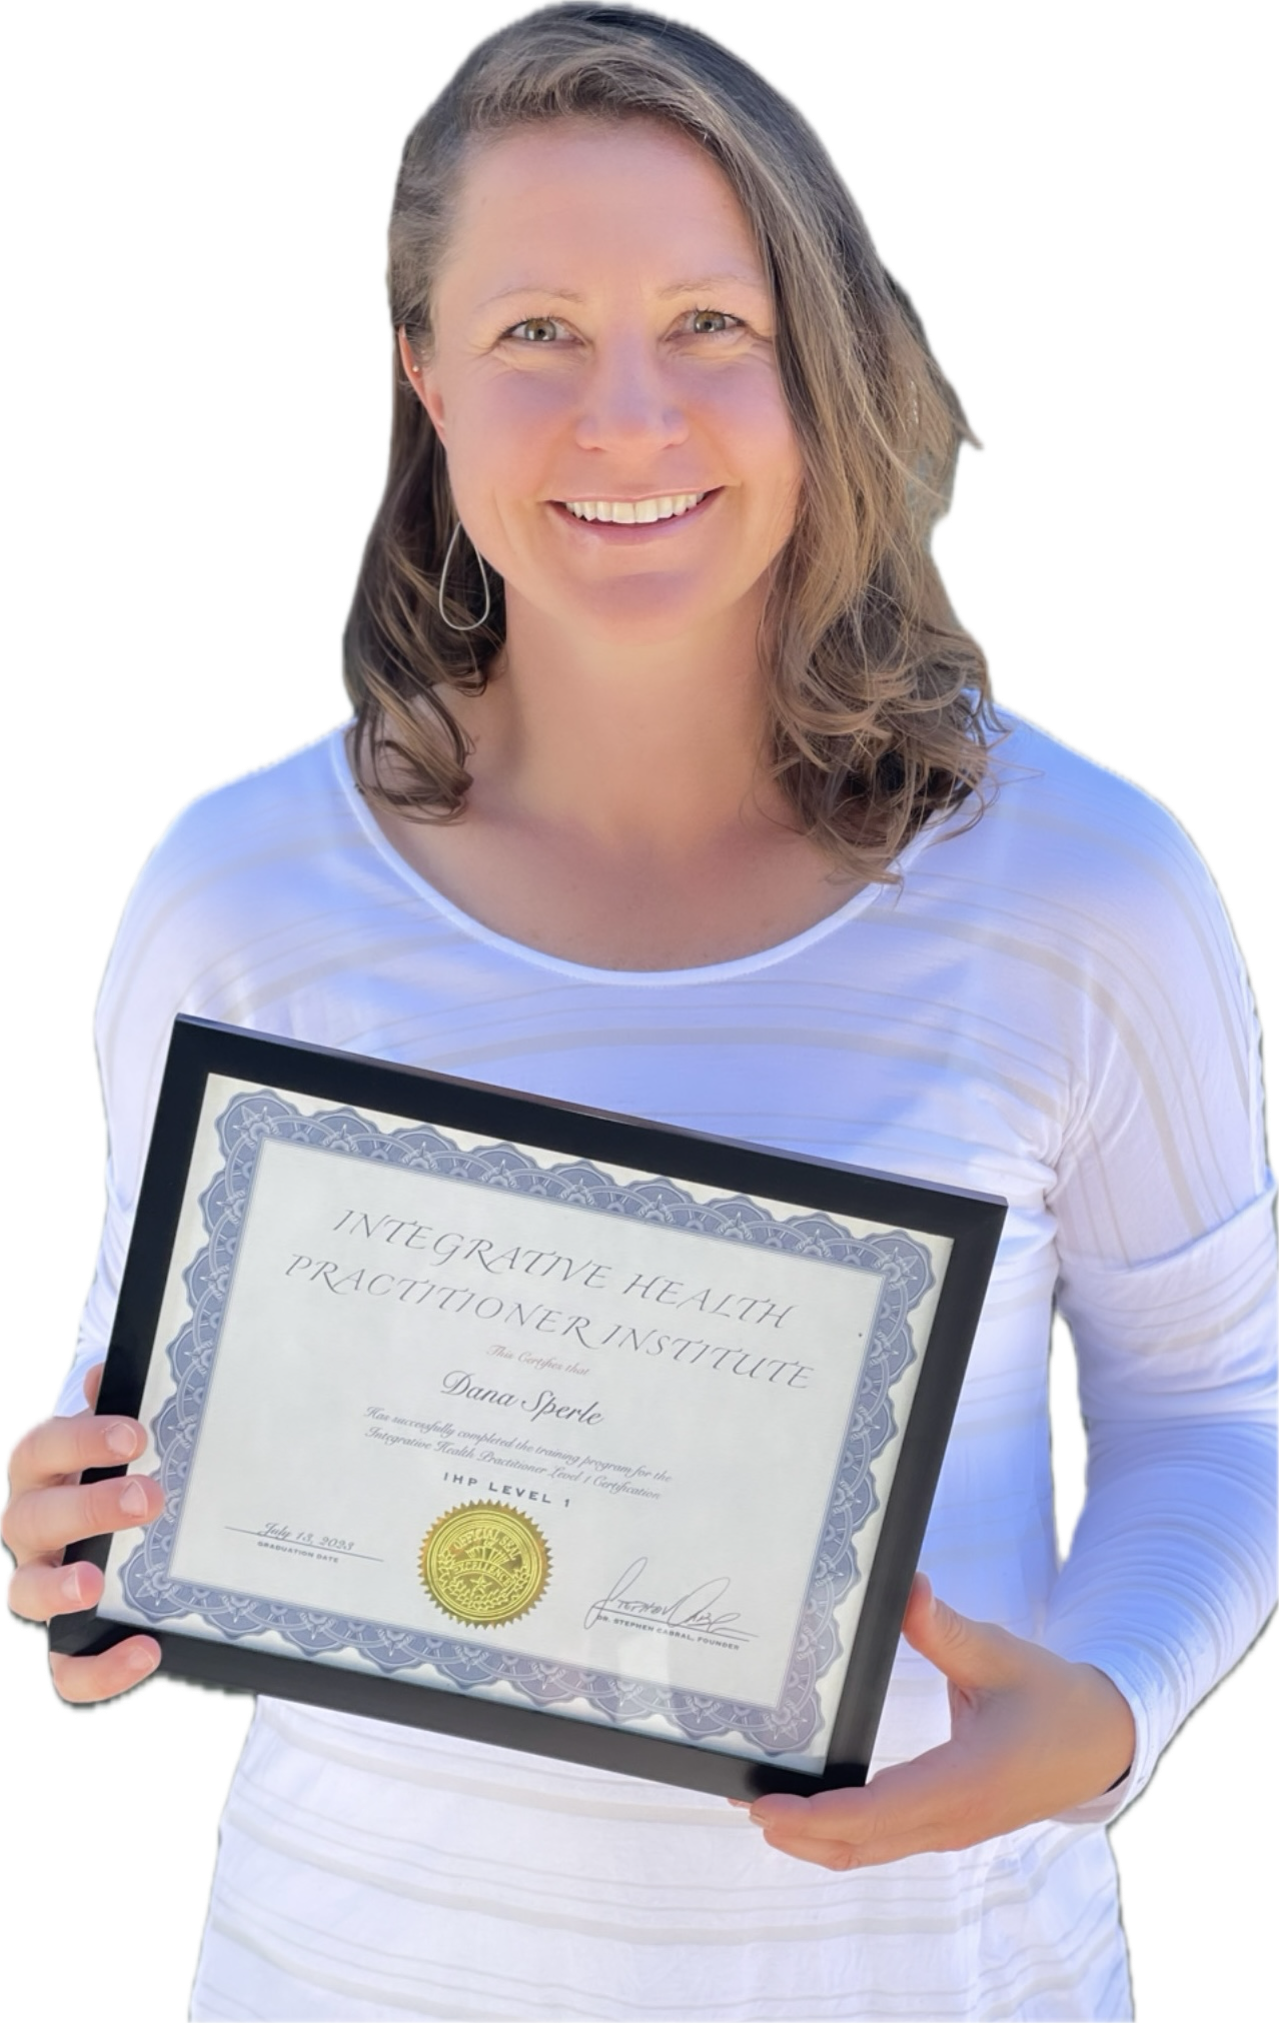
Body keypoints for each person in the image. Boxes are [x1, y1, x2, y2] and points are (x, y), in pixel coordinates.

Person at [3, 5, 1274, 2017]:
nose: (628, 417)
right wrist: (78, 1552)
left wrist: (1106, 1706)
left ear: (822, 361)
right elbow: (139, 1415)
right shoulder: (236, 890)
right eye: (536, 332)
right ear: (422, 373)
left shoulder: (1084, 885)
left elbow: (1217, 1417)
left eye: (710, 324)